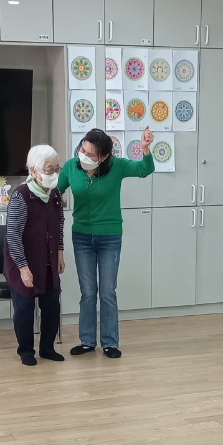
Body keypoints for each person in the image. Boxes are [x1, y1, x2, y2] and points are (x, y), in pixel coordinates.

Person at [56, 127, 154, 359]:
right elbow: (54, 194)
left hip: (109, 237)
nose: (84, 156)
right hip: (81, 236)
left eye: (91, 154)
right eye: (83, 150)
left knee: (108, 292)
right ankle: (87, 341)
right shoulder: (71, 167)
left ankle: (110, 342)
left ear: (104, 156)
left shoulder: (117, 166)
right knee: (88, 292)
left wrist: (145, 149)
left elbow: (144, 169)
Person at [5, 144, 66, 366]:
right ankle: (26, 351)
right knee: (25, 309)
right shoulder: (21, 196)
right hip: (23, 261)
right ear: (34, 171)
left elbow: (59, 225)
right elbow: (13, 235)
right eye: (49, 169)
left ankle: (47, 348)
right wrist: (23, 268)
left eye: (56, 169)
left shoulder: (55, 194)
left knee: (51, 306)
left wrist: (60, 253)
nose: (54, 174)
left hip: (48, 259)